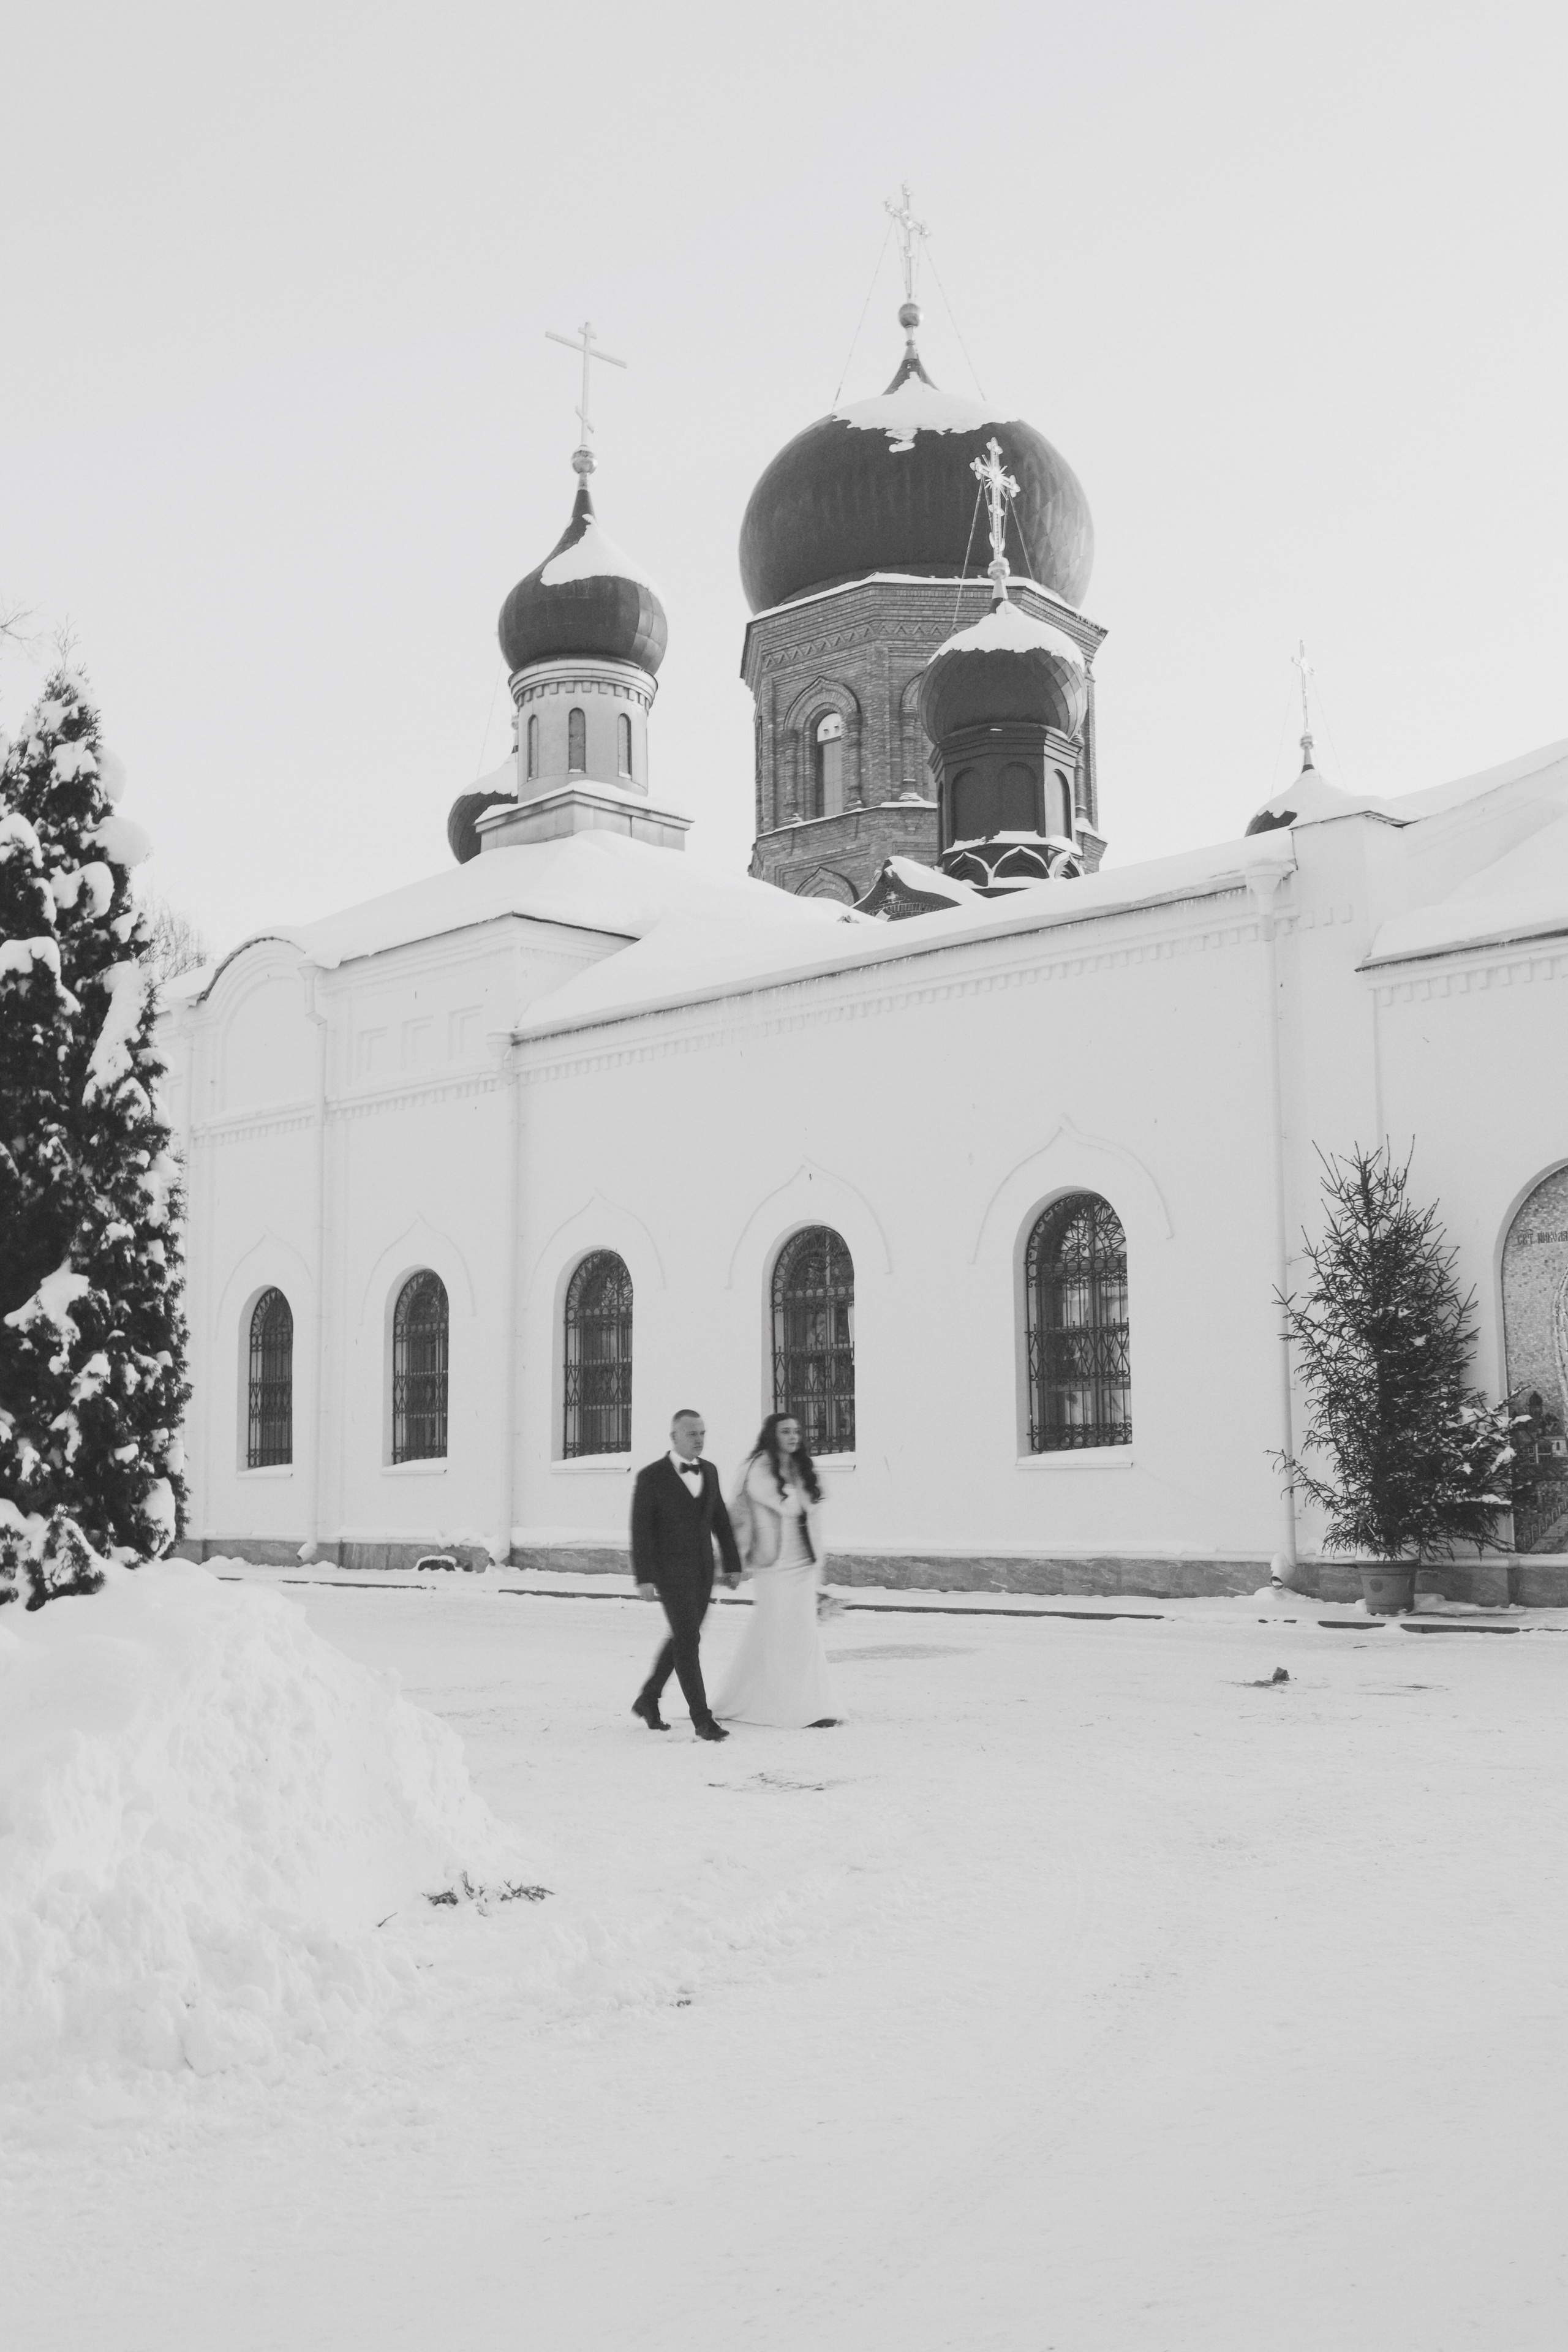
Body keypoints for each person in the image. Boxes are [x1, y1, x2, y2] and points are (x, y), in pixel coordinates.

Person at [712, 1412, 838, 1729]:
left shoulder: (804, 1469)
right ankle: (784, 1706)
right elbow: (737, 1520)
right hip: (773, 1564)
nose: (793, 1436)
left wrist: (819, 1570)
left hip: (804, 1564)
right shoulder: (754, 1470)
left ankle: (812, 1706)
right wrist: (733, 1564)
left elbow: (813, 1522)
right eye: (786, 1431)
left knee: (801, 1633)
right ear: (772, 1435)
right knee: (780, 1633)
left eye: (797, 1431)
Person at [629, 1408, 742, 1741]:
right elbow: (641, 1531)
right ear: (674, 1437)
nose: (699, 1440)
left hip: (703, 1571)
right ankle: (702, 1720)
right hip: (669, 1573)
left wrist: (733, 1563)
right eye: (692, 1434)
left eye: (703, 1433)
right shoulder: (651, 1477)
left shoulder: (710, 1470)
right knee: (688, 1641)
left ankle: (649, 1698)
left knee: (683, 1637)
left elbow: (720, 1518)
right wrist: (645, 1576)